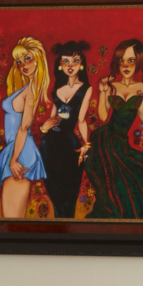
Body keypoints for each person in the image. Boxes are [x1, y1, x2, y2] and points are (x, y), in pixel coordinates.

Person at [86, 35, 143, 220]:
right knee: (116, 187)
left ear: (138, 62)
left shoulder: (141, 88)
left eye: (131, 61)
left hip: (122, 143)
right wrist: (103, 91)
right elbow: (103, 117)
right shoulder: (111, 86)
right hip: (104, 141)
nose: (126, 65)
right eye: (122, 60)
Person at [0, 37, 50, 219]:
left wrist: (13, 160)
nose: (22, 65)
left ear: (38, 58)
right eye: (19, 62)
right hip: (16, 149)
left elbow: (24, 127)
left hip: (20, 152)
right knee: (12, 217)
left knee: (11, 218)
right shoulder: (27, 87)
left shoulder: (33, 89)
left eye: (27, 58)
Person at [41, 39, 91, 221]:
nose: (71, 65)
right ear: (60, 64)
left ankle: (67, 227)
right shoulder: (56, 90)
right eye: (66, 61)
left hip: (70, 147)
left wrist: (87, 144)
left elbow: (81, 120)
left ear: (81, 64)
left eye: (75, 61)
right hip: (50, 146)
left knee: (69, 193)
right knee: (54, 191)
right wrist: (43, 129)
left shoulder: (86, 88)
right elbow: (52, 119)